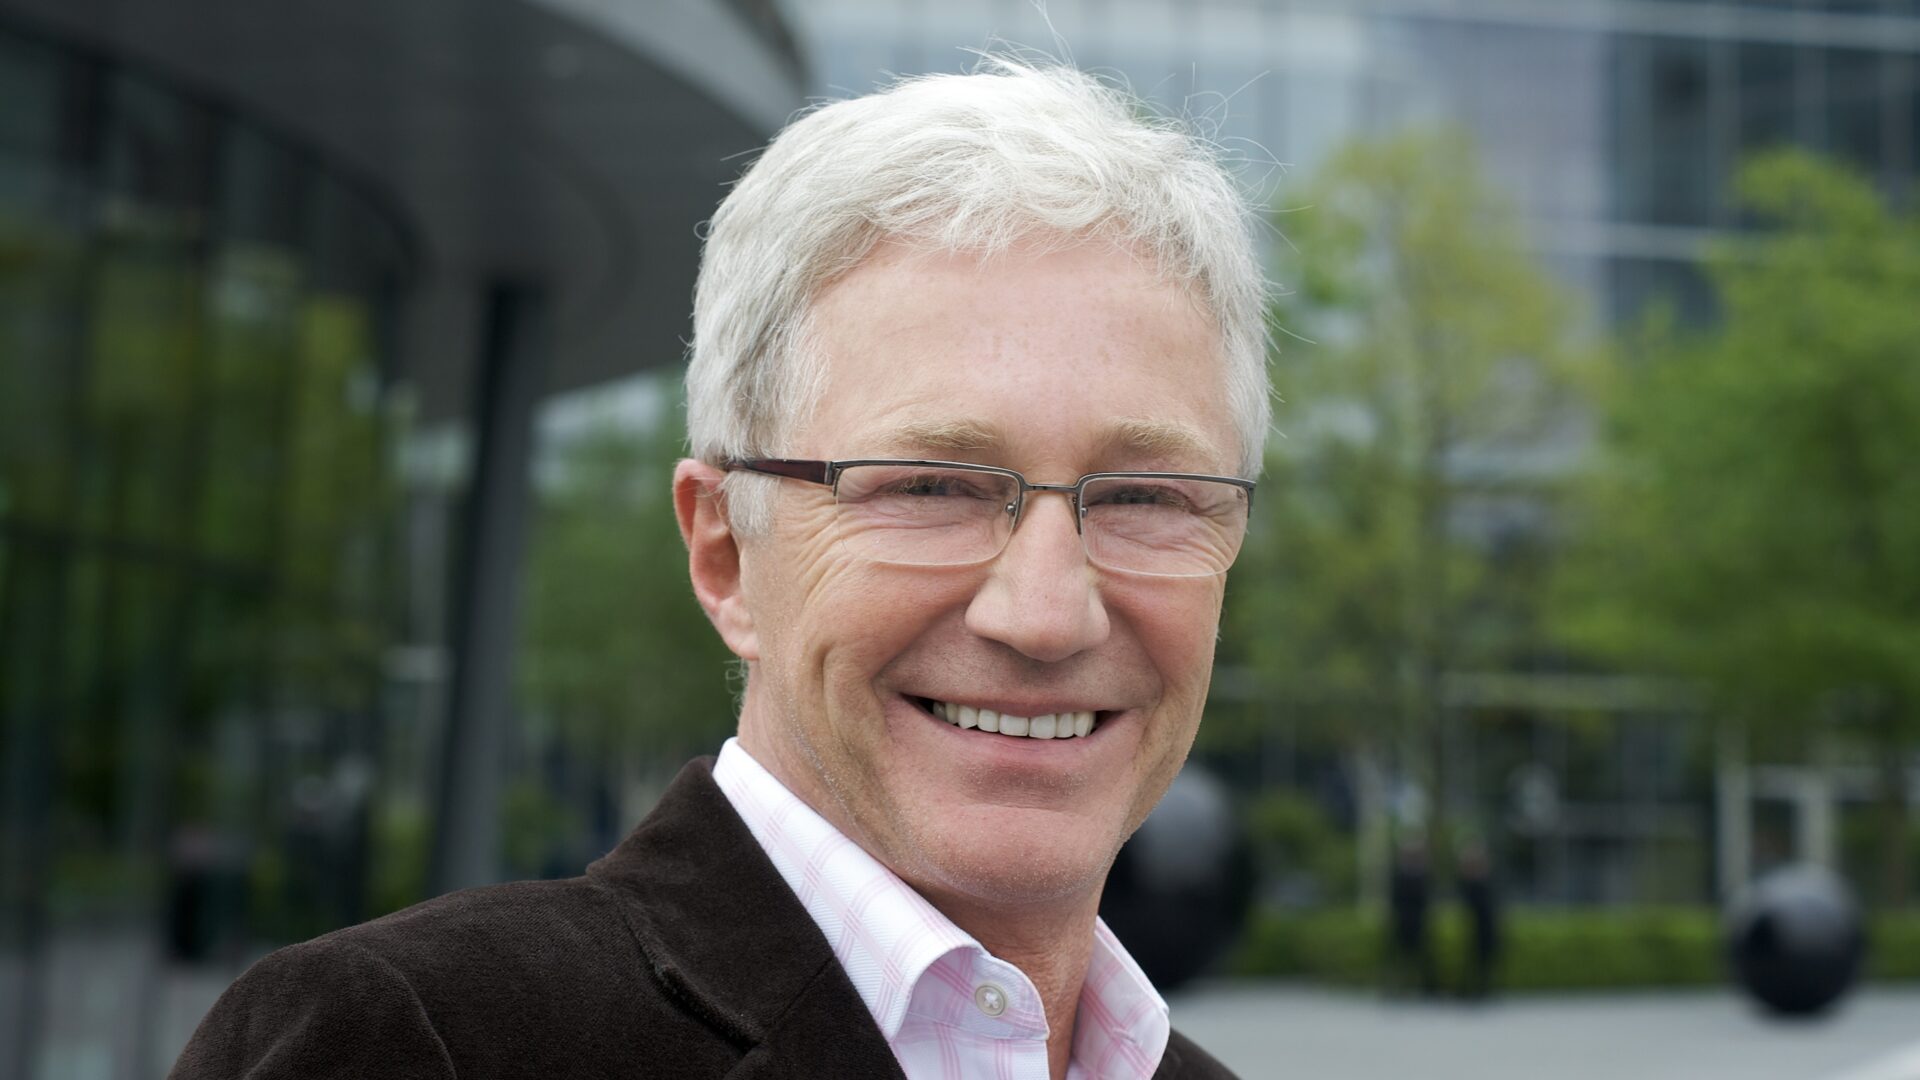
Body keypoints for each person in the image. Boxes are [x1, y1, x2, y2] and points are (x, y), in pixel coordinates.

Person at [171, 56, 1268, 1080]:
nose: (1045, 613)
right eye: (930, 487)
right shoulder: (410, 1043)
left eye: (1143, 498)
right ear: (726, 552)